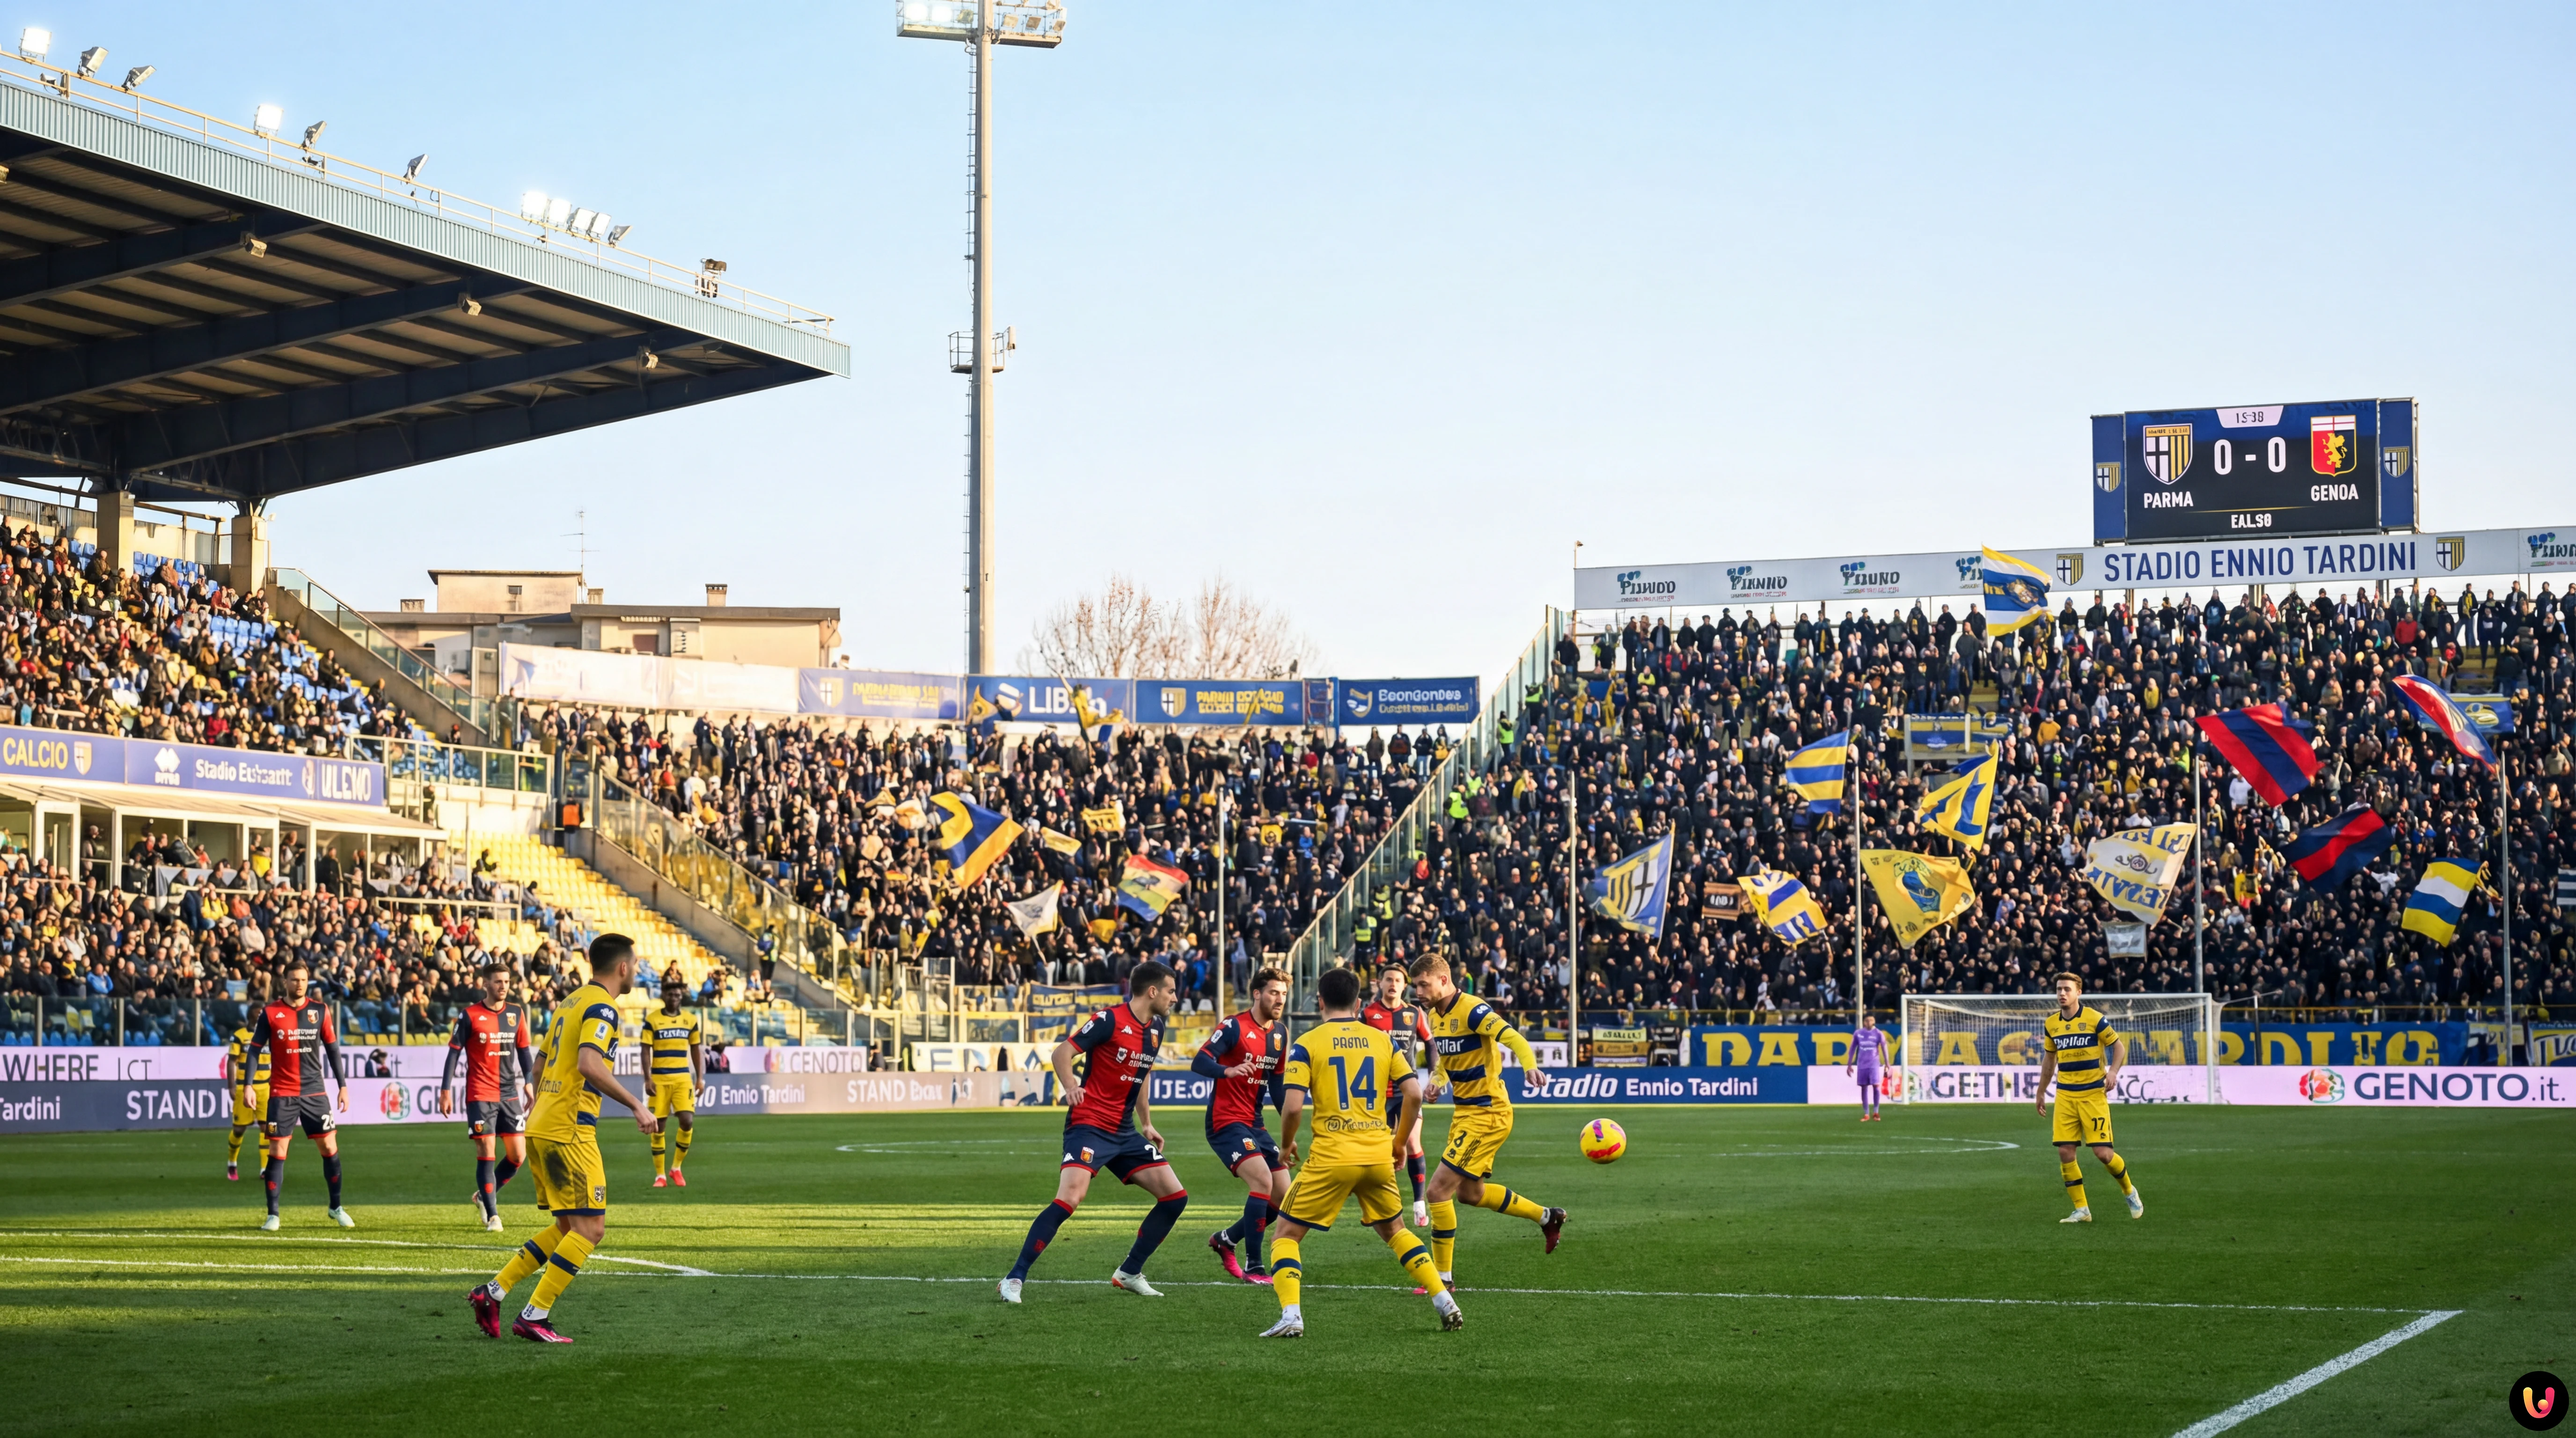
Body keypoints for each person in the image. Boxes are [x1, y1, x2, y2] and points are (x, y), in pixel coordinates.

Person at [468, 933, 660, 1343]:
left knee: (566, 1227)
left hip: (542, 1123)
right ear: (622, 967)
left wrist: (544, 1106)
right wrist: (636, 1105)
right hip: (570, 1130)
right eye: (635, 964)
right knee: (591, 1230)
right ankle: (534, 1315)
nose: (636, 970)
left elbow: (539, 1065)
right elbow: (589, 1064)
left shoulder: (570, 1002)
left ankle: (493, 1292)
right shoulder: (602, 1007)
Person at [1259, 964, 1460, 1338]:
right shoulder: (1382, 1040)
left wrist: (1286, 1146)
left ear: (1320, 1002)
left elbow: (1292, 1107)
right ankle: (1443, 1299)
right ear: (1357, 1004)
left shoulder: (1307, 1043)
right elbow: (1413, 1094)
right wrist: (1399, 1143)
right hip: (1377, 1155)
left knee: (1285, 1235)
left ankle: (1291, 1315)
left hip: (1332, 1157)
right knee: (1396, 1231)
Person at [999, 960, 1188, 1304]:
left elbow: (1142, 1074)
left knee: (1175, 1197)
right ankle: (1014, 1278)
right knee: (1071, 1197)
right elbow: (1063, 1052)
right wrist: (1071, 1086)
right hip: (1089, 1124)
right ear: (1153, 991)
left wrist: (1147, 1123)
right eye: (1171, 991)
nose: (1175, 998)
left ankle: (1129, 1273)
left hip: (1124, 1131)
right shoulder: (1109, 1020)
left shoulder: (1157, 1028)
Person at [1411, 953, 1565, 1288]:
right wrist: (1437, 1081)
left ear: (1443, 980)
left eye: (1424, 984)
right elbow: (1447, 1058)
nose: (1418, 992)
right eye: (1416, 986)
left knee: (1437, 1191)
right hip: (1465, 1112)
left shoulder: (1473, 1009)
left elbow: (1513, 1037)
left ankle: (1442, 1280)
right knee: (1470, 1194)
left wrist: (1530, 1067)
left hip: (1488, 1113)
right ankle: (1547, 1217)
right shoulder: (1435, 1015)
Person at [1195, 965, 1290, 1284]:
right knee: (1262, 1181)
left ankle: (1226, 1240)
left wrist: (1289, 1128)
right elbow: (1200, 1061)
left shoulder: (1280, 1033)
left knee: (1283, 1197)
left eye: (1284, 994)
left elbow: (1277, 1085)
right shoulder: (1234, 1026)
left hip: (1255, 1124)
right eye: (1274, 993)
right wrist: (1227, 1071)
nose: (1280, 999)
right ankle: (1255, 1267)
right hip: (1225, 1121)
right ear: (1257, 994)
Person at [243, 959, 353, 1231]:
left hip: (315, 1092)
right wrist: (248, 1085)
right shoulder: (271, 1012)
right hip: (282, 1093)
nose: (300, 984)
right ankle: (273, 1215)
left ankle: (336, 1207)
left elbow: (333, 1049)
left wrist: (343, 1086)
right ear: (285, 982)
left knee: (330, 1148)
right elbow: (255, 1049)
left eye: (304, 980)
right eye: (295, 980)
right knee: (277, 1151)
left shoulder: (320, 1011)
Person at [2032, 972, 2143, 1223]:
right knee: (2065, 1152)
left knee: (2103, 1154)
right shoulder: (2051, 1024)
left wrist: (2113, 1072)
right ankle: (2081, 1209)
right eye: (2059, 989)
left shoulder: (2094, 1018)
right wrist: (2041, 1091)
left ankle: (2129, 1191)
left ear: (2078, 993)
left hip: (2093, 1095)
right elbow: (2050, 1060)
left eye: (2067, 989)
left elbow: (2119, 1046)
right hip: (2065, 1095)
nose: (2062, 994)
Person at [439, 962, 534, 1232]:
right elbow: (454, 1053)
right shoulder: (470, 1015)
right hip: (480, 1093)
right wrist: (445, 1090)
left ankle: (483, 1196)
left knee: (518, 1156)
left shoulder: (516, 1013)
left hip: (509, 1093)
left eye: (507, 982)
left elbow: (524, 1052)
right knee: (487, 1152)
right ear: (486, 984)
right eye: (498, 982)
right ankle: (493, 1216)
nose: (503, 986)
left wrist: (529, 1083)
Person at [1358, 962, 1435, 1225]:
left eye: (1398, 980)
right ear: (1379, 984)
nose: (1393, 984)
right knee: (1379, 1148)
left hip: (1407, 1091)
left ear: (1405, 986)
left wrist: (1434, 1075)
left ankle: (1419, 1205)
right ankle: (1380, 1204)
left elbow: (1430, 1043)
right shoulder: (1367, 1014)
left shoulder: (1414, 1013)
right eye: (1389, 979)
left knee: (1412, 1143)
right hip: (1377, 1092)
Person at [642, 966, 706, 1187]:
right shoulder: (652, 1020)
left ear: (681, 998)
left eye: (678, 995)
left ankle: (676, 1168)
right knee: (658, 1126)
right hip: (659, 1080)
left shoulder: (690, 1020)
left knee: (687, 1121)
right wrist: (648, 1078)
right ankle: (660, 1175)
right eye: (670, 994)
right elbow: (645, 1050)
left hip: (682, 1079)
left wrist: (700, 1078)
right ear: (664, 996)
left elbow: (696, 1049)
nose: (674, 998)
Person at [223, 1013, 271, 1181]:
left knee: (266, 1128)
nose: (262, 1015)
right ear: (251, 1016)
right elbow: (231, 1061)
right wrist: (231, 1086)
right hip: (245, 1088)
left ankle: (265, 1169)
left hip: (265, 1088)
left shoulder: (270, 1035)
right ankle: (232, 1163)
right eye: (258, 1013)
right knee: (239, 1129)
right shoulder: (239, 1036)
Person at [1847, 1012, 1890, 1122]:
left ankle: (1876, 1112)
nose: (1869, 1023)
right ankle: (1866, 1114)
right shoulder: (1858, 1033)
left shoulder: (1878, 1033)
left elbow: (1884, 1048)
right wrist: (1849, 1064)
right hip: (1862, 1064)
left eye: (1871, 1020)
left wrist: (1887, 1063)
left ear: (1874, 1021)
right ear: (1864, 1022)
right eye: (1867, 1021)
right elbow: (1852, 1049)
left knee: (1876, 1086)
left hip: (1874, 1064)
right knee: (1864, 1087)